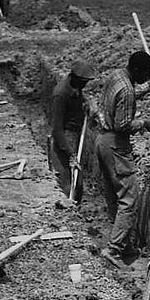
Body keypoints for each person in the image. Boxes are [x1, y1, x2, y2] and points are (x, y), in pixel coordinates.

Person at [95, 51, 150, 269]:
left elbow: (127, 96)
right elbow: (122, 125)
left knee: (116, 194)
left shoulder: (117, 76)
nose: (148, 76)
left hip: (102, 141)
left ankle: (124, 244)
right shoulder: (127, 90)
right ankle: (114, 249)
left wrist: (149, 87)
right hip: (115, 144)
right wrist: (144, 123)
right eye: (147, 74)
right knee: (129, 197)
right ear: (137, 71)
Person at [50, 60, 96, 198]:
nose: (85, 85)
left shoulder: (75, 87)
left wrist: (85, 105)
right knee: (69, 183)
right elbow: (57, 129)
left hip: (74, 135)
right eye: (84, 82)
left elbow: (79, 101)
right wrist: (71, 154)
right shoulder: (61, 94)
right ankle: (69, 212)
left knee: (78, 183)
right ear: (75, 78)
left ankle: (76, 206)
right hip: (64, 139)